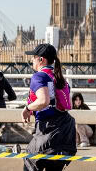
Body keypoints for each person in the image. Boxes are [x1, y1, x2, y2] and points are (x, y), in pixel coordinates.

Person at [22, 43, 77, 171]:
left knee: (29, 161)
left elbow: (44, 101)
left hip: (49, 130)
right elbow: (66, 104)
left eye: (33, 57)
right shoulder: (60, 78)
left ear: (41, 59)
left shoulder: (39, 76)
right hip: (66, 130)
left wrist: (28, 108)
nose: (31, 60)